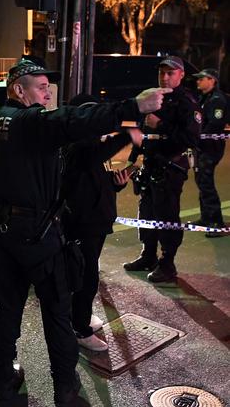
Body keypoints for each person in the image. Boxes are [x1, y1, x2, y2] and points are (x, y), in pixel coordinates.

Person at [0, 60, 169, 407]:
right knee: (56, 311)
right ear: (18, 90)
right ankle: (65, 388)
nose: (46, 93)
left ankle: (5, 378)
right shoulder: (28, 122)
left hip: (5, 233)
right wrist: (134, 108)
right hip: (38, 235)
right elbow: (71, 121)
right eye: (39, 87)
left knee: (7, 309)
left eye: (47, 87)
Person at [62, 94, 142, 352]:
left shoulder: (92, 145)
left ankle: (80, 318)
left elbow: (94, 180)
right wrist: (129, 133)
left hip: (96, 222)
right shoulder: (76, 146)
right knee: (84, 278)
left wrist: (115, 184)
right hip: (81, 223)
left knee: (87, 275)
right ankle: (79, 330)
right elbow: (90, 159)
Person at [123, 55, 201, 282]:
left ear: (181, 75)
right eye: (162, 73)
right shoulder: (153, 97)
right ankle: (148, 255)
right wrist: (133, 159)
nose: (165, 77)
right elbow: (142, 132)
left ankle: (168, 264)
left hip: (170, 167)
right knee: (146, 214)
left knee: (167, 216)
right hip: (149, 165)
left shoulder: (186, 102)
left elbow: (191, 138)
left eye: (170, 73)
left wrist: (161, 124)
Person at [191, 68, 227, 237]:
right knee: (201, 180)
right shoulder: (205, 98)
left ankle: (218, 223)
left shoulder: (217, 99)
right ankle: (206, 217)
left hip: (211, 147)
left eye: (201, 78)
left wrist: (198, 136)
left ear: (212, 80)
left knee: (206, 182)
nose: (198, 81)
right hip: (202, 146)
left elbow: (215, 124)